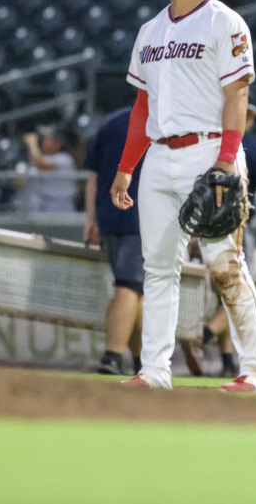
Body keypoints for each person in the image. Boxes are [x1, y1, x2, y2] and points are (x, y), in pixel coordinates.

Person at [110, 0, 256, 392]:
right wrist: (127, 167)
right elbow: (142, 107)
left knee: (225, 263)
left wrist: (226, 159)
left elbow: (237, 95)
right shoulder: (150, 31)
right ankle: (155, 371)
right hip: (159, 157)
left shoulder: (226, 22)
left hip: (210, 151)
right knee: (158, 267)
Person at [190, 101, 256, 378]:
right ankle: (203, 335)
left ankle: (227, 359)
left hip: (202, 228)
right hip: (235, 231)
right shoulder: (255, 151)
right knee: (237, 291)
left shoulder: (206, 145)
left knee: (224, 294)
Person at [83, 107, 145, 376]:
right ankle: (113, 356)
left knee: (134, 291)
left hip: (109, 217)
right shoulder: (166, 122)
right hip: (144, 217)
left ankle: (143, 360)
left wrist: (91, 219)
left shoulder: (110, 124)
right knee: (129, 286)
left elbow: (94, 178)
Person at [22, 124, 78, 213]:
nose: (43, 141)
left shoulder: (65, 159)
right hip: (38, 210)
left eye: (47, 139)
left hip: (59, 210)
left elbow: (40, 165)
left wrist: (32, 143)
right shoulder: (44, 158)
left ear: (58, 143)